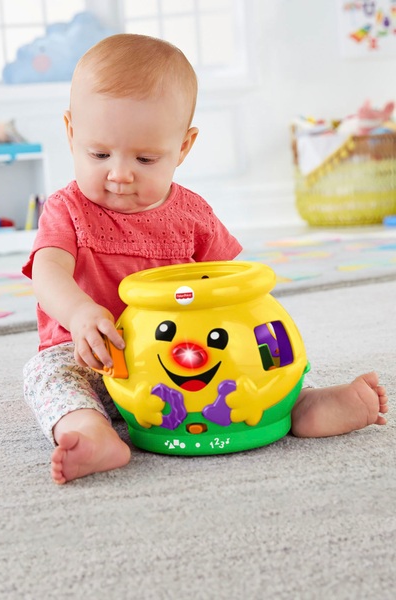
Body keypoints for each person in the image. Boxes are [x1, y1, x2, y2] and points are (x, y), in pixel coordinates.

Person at [21, 34, 388, 484]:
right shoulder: (67, 209)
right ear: (71, 131)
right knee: (46, 374)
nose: (119, 173)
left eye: (146, 157)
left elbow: (235, 286)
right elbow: (47, 270)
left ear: (184, 148)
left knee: (251, 362)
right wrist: (78, 313)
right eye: (99, 154)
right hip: (94, 356)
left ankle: (302, 404)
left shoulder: (192, 214)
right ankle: (90, 431)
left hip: (189, 361)